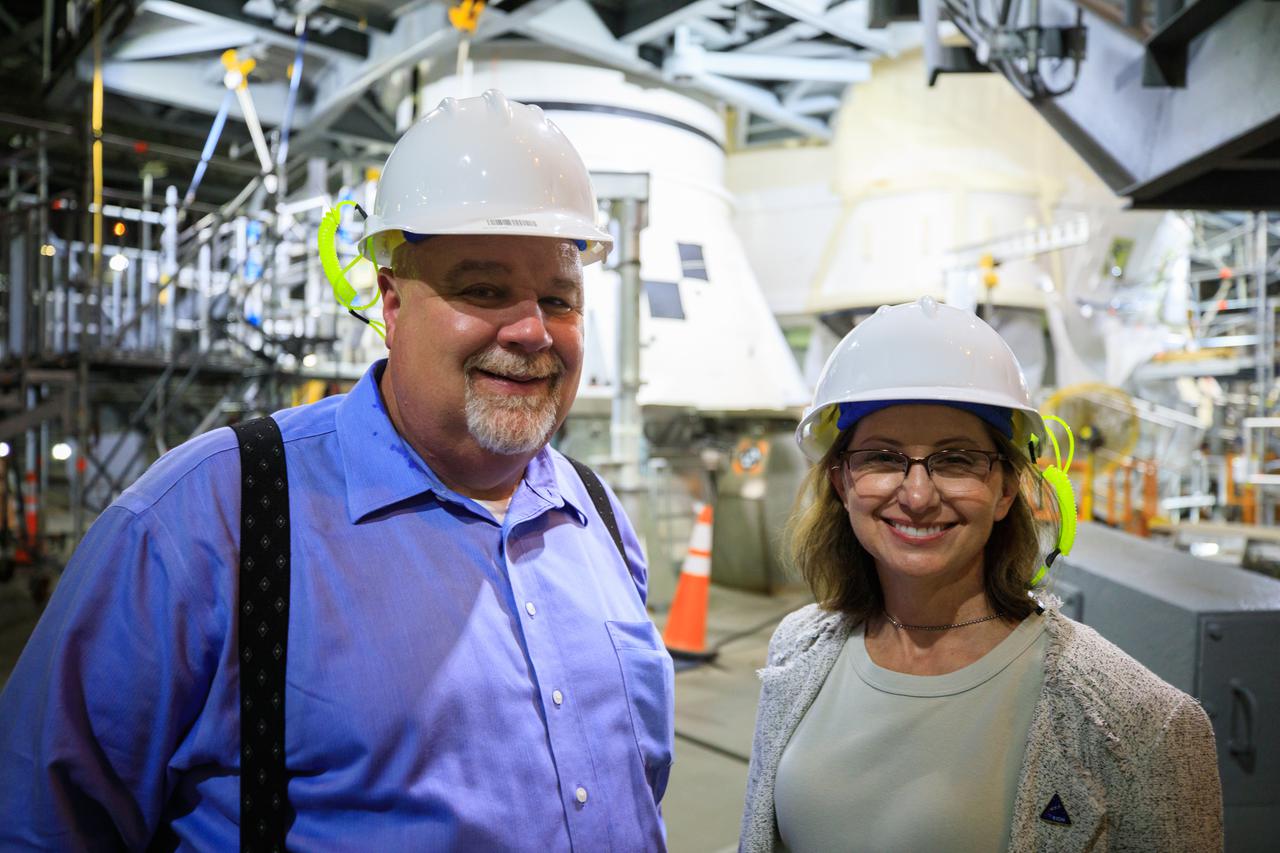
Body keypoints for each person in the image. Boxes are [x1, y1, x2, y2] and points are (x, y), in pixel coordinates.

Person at [0, 91, 674, 851]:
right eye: (483, 289)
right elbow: (38, 822)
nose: (531, 329)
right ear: (390, 300)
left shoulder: (598, 516)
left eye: (559, 297)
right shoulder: (207, 523)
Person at [739, 297, 1222, 852]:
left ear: (1006, 490)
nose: (917, 495)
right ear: (843, 482)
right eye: (882, 457)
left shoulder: (1138, 723)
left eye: (956, 459)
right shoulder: (797, 649)